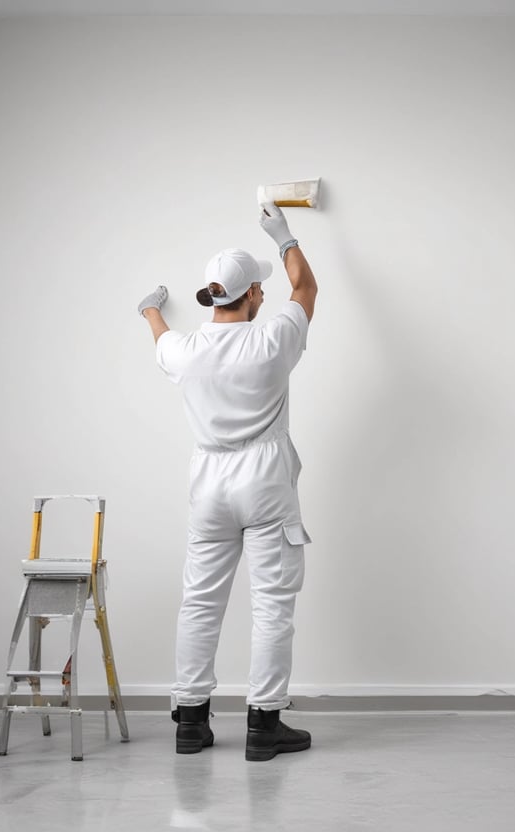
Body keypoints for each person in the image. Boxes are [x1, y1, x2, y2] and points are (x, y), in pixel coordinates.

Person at [137, 203, 317, 762]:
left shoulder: (186, 353)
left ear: (213, 296)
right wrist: (283, 235)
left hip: (209, 482)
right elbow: (307, 287)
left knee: (200, 602)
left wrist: (149, 310)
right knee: (271, 605)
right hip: (264, 479)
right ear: (253, 297)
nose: (264, 294)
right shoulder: (273, 340)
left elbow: (160, 333)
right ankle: (264, 726)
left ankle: (190, 722)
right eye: (258, 288)